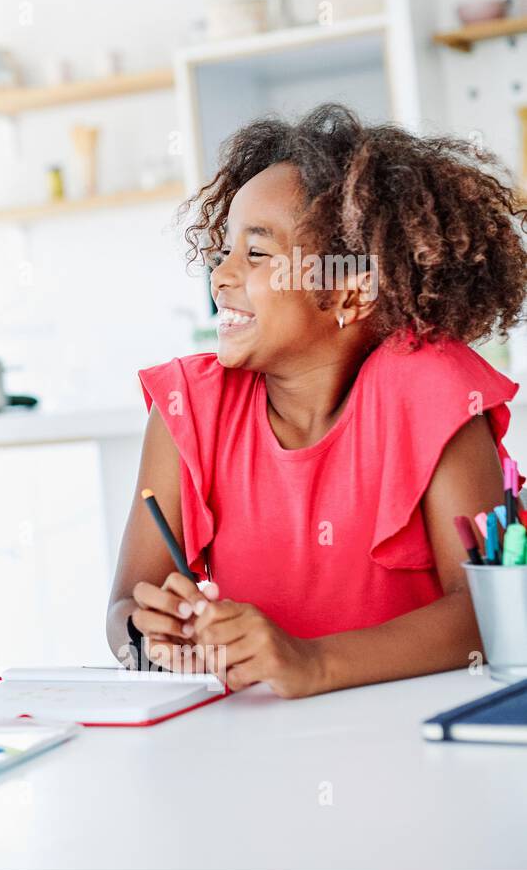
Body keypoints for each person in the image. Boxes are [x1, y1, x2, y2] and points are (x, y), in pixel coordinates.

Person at [108, 103, 527, 697]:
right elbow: (124, 609)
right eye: (223, 252)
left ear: (350, 292)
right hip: (254, 745)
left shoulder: (431, 392)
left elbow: (491, 615)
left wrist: (313, 662)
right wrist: (151, 638)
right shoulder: (187, 409)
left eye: (256, 254)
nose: (221, 276)